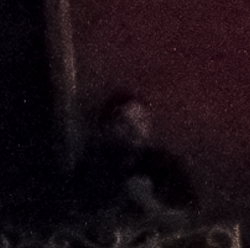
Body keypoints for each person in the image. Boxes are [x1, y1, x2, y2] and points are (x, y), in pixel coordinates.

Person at [68, 93, 197, 224]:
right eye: (124, 123)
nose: (135, 129)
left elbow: (192, 217)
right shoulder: (92, 167)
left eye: (141, 120)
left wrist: (148, 202)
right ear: (108, 127)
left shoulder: (166, 164)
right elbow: (75, 218)